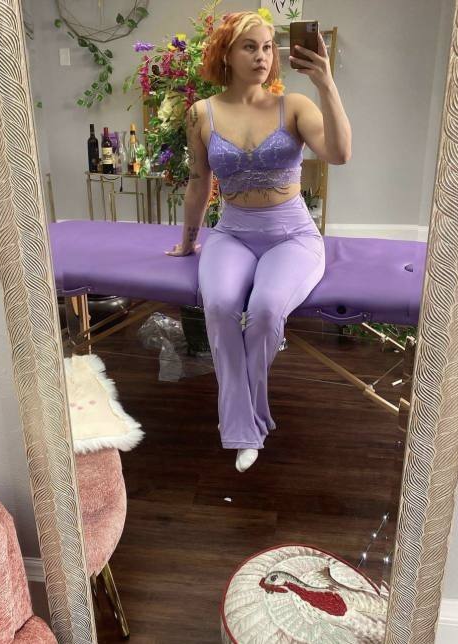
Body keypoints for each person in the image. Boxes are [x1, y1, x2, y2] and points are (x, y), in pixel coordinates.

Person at [165, 11, 351, 472]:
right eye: (250, 46)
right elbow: (198, 183)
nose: (262, 56)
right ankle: (244, 430)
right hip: (231, 232)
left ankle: (245, 419)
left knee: (266, 311)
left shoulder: (295, 106)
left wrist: (325, 82)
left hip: (292, 235)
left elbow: (340, 154)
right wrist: (188, 242)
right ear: (226, 53)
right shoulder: (202, 113)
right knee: (219, 306)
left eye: (268, 47)